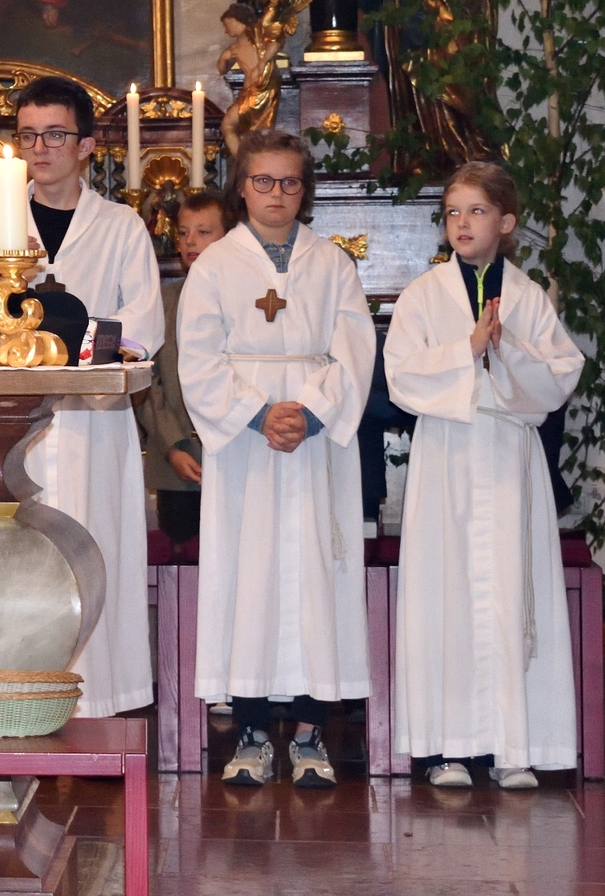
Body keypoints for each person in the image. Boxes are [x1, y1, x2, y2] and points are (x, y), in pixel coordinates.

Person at [0, 76, 163, 718]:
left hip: (91, 423)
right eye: (28, 136)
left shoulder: (120, 227)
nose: (40, 149)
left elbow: (144, 326)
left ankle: (99, 701)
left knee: (97, 552)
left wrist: (66, 340)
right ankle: (14, 700)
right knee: (19, 563)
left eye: (56, 135)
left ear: (87, 145)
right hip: (16, 426)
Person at [178, 128, 376, 787]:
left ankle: (313, 734)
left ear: (304, 189)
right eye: (263, 180)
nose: (277, 193)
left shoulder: (333, 263)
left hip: (316, 446)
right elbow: (198, 361)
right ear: (242, 187)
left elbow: (355, 351)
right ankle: (253, 732)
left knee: (318, 576)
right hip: (246, 447)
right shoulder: (215, 266)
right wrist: (260, 412)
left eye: (290, 181)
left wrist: (312, 412)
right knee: (249, 579)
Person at [384, 163, 584, 789]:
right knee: (444, 592)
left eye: (476, 211)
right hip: (447, 453)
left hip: (506, 454)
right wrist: (467, 350)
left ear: (506, 222)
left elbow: (560, 375)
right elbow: (400, 376)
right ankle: (448, 748)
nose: (463, 223)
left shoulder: (529, 296)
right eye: (453, 212)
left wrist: (506, 350)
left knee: (510, 589)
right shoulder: (422, 295)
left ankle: (512, 746)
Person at [138, 190, 233, 542]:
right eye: (183, 232)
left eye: (203, 232)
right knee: (180, 559)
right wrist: (172, 446)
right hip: (176, 460)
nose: (190, 241)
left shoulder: (245, 300)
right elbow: (147, 379)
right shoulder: (163, 301)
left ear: (229, 238)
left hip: (235, 454)